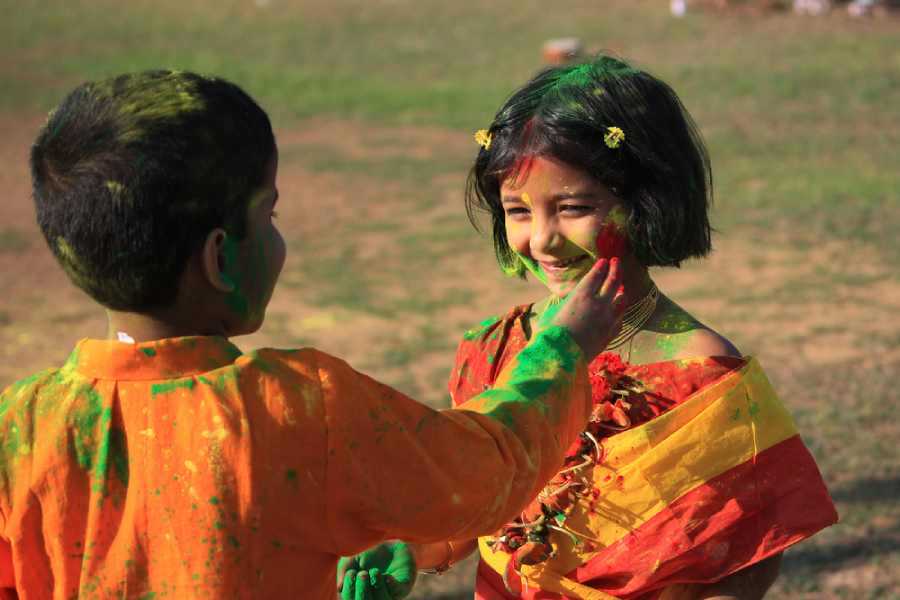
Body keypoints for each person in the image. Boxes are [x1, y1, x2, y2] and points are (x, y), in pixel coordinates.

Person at [0, 70, 631, 600]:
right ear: (220, 260)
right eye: (268, 214)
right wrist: (564, 350)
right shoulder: (297, 408)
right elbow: (486, 472)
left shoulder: (21, 426)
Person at [340, 55, 838, 600]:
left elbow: (744, 565)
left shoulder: (701, 377)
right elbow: (484, 500)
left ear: (645, 203)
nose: (542, 240)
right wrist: (419, 546)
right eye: (519, 211)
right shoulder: (494, 350)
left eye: (573, 207)